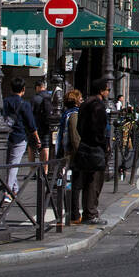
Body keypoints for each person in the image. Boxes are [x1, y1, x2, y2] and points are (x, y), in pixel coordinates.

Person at [74, 77, 111, 224]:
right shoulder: (98, 106)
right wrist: (103, 144)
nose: (109, 92)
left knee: (87, 179)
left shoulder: (85, 104)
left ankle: (88, 211)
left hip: (84, 145)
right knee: (94, 182)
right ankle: (91, 213)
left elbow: (79, 126)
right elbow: (99, 129)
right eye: (108, 89)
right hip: (95, 148)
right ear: (101, 91)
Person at [1, 77, 41, 202]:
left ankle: (14, 189)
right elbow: (31, 124)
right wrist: (37, 138)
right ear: (23, 89)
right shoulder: (24, 104)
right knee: (14, 165)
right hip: (19, 137)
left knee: (9, 164)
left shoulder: (4, 101)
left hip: (5, 136)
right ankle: (7, 192)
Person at [60, 89, 83, 224]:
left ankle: (70, 212)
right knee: (75, 185)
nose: (81, 100)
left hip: (66, 153)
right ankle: (74, 214)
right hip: (72, 155)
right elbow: (75, 137)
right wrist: (79, 153)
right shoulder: (74, 115)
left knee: (69, 184)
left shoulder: (66, 114)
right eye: (80, 98)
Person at [30, 78, 53, 165]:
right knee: (46, 147)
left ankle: (32, 171)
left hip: (36, 126)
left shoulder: (35, 98)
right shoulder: (50, 97)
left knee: (31, 147)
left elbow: (30, 114)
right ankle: (45, 171)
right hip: (47, 126)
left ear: (38, 87)